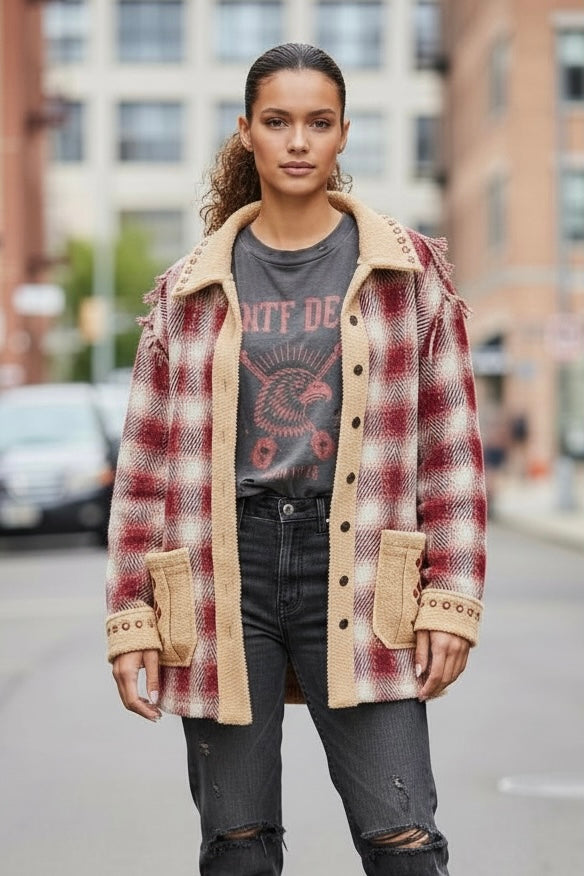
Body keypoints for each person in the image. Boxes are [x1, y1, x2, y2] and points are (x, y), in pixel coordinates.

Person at [105, 42, 486, 876]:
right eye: (278, 122)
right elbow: (144, 472)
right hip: (222, 575)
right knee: (236, 847)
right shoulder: (186, 291)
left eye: (319, 122)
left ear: (345, 132)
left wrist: (451, 598)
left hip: (358, 567)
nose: (299, 141)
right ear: (247, 133)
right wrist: (131, 621)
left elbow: (449, 444)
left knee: (404, 843)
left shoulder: (407, 273)